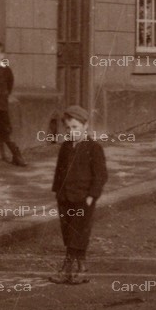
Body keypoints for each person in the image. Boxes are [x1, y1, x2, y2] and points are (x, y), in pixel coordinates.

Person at [51, 105, 106, 284]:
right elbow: (59, 170)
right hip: (65, 197)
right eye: (68, 128)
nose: (71, 131)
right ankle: (79, 268)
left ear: (85, 126)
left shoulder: (93, 148)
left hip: (83, 198)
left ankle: (70, 268)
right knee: (68, 232)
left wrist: (92, 196)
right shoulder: (66, 147)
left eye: (75, 127)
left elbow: (100, 175)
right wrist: (57, 191)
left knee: (79, 233)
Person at [0, 42, 24, 167]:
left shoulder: (6, 71)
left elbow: (9, 86)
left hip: (1, 107)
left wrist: (2, 98)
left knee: (6, 131)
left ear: (2, 56)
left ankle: (16, 155)